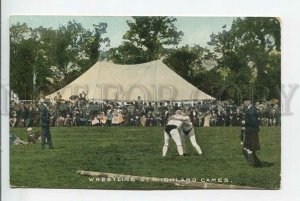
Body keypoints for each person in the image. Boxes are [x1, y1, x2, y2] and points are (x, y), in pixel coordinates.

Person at [241, 97, 261, 167]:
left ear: (249, 101)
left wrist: (245, 122)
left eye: (246, 101)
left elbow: (253, 121)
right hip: (250, 131)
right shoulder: (249, 108)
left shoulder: (251, 109)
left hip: (252, 131)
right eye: (244, 101)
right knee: (251, 149)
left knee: (247, 149)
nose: (245, 103)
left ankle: (253, 164)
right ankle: (257, 164)